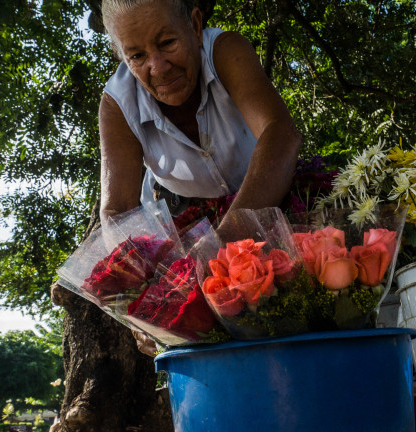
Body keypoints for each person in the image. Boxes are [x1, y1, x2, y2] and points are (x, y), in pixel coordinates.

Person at [98, 0, 302, 356]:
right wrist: (143, 303)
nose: (158, 67)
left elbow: (280, 134)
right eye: (137, 56)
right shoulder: (117, 104)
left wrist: (219, 251)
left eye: (167, 43)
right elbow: (117, 213)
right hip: (184, 234)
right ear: (120, 55)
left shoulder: (225, 51)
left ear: (194, 26)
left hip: (268, 198)